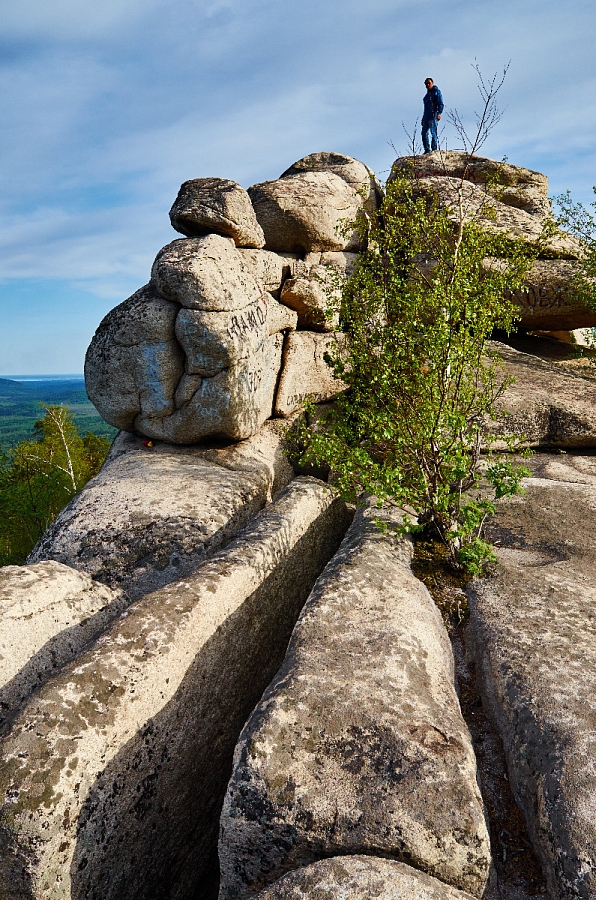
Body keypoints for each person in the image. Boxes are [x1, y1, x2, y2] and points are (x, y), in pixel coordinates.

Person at [421, 77, 444, 154]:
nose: (427, 85)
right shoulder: (426, 96)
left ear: (432, 83)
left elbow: (440, 103)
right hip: (426, 116)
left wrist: (439, 113)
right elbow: (425, 108)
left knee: (433, 132)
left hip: (433, 115)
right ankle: (427, 149)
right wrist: (423, 118)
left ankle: (434, 149)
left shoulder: (436, 92)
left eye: (429, 83)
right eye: (426, 84)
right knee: (424, 133)